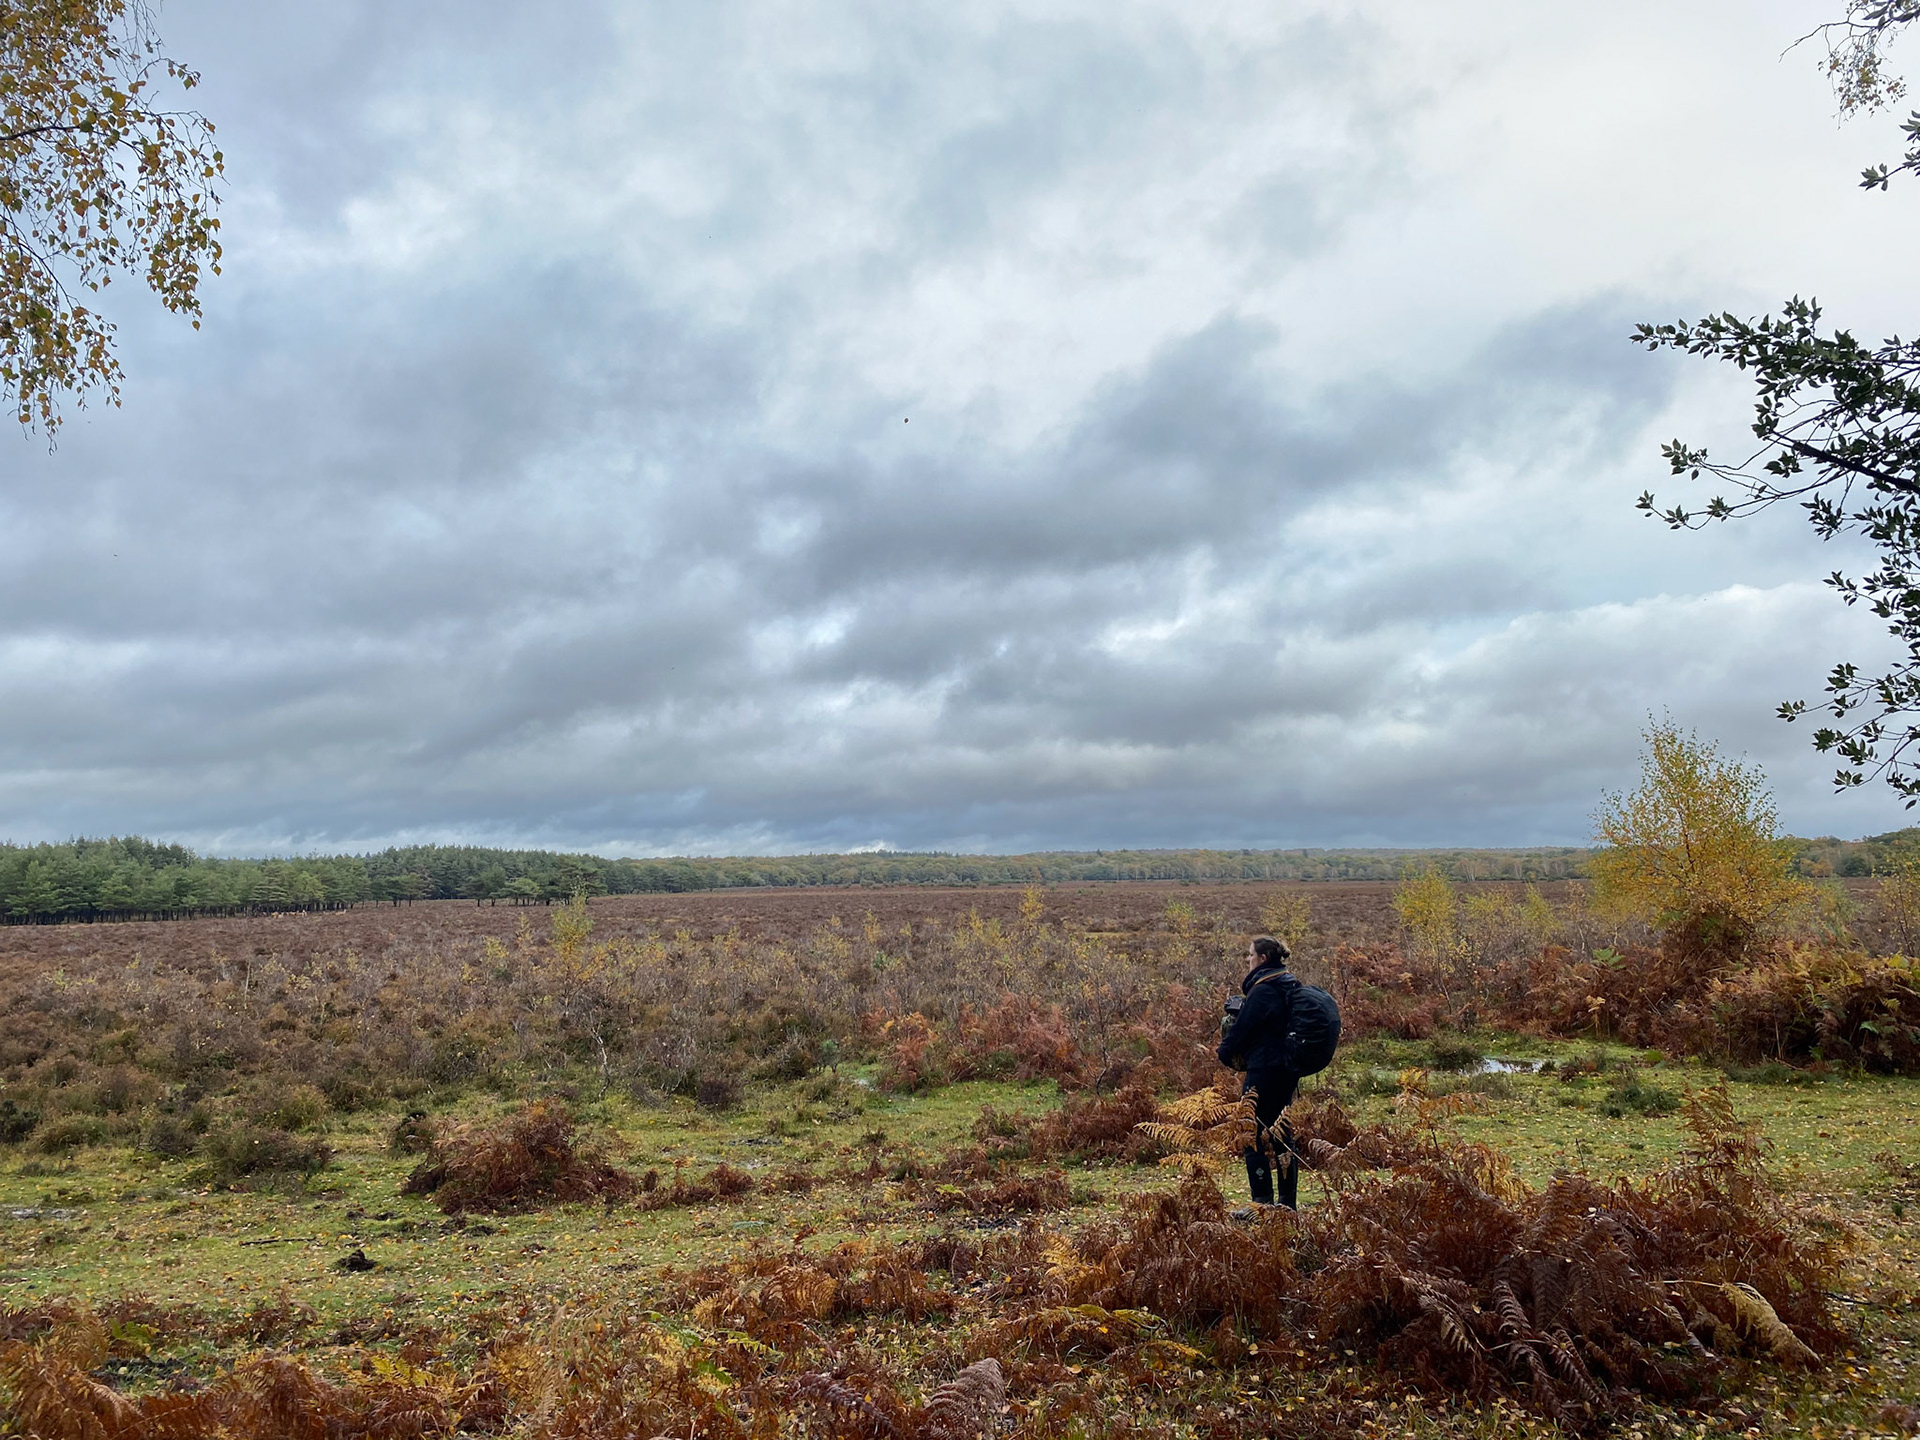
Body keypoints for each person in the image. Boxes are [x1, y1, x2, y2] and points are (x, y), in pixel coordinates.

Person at [1216, 935, 1305, 1210]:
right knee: (1281, 1135)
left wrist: (1224, 1052)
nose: (1248, 959)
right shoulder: (1288, 983)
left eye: (1251, 954)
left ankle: (1261, 1203)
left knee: (1250, 1133)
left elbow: (1243, 1029)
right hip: (1286, 1069)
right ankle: (1287, 1204)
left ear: (1263, 958)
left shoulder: (1263, 990)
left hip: (1264, 1069)